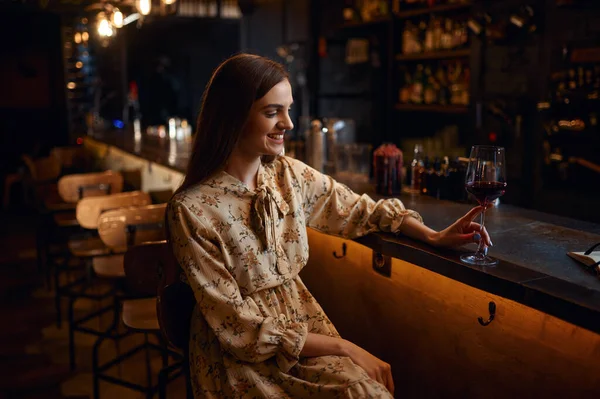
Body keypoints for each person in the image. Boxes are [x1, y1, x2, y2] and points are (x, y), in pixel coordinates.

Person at [166, 53, 492, 398]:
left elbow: (358, 210)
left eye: (288, 109)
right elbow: (238, 329)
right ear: (232, 117)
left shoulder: (287, 174)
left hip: (303, 331)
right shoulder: (191, 210)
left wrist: (434, 236)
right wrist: (345, 348)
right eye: (272, 112)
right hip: (239, 361)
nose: (288, 123)